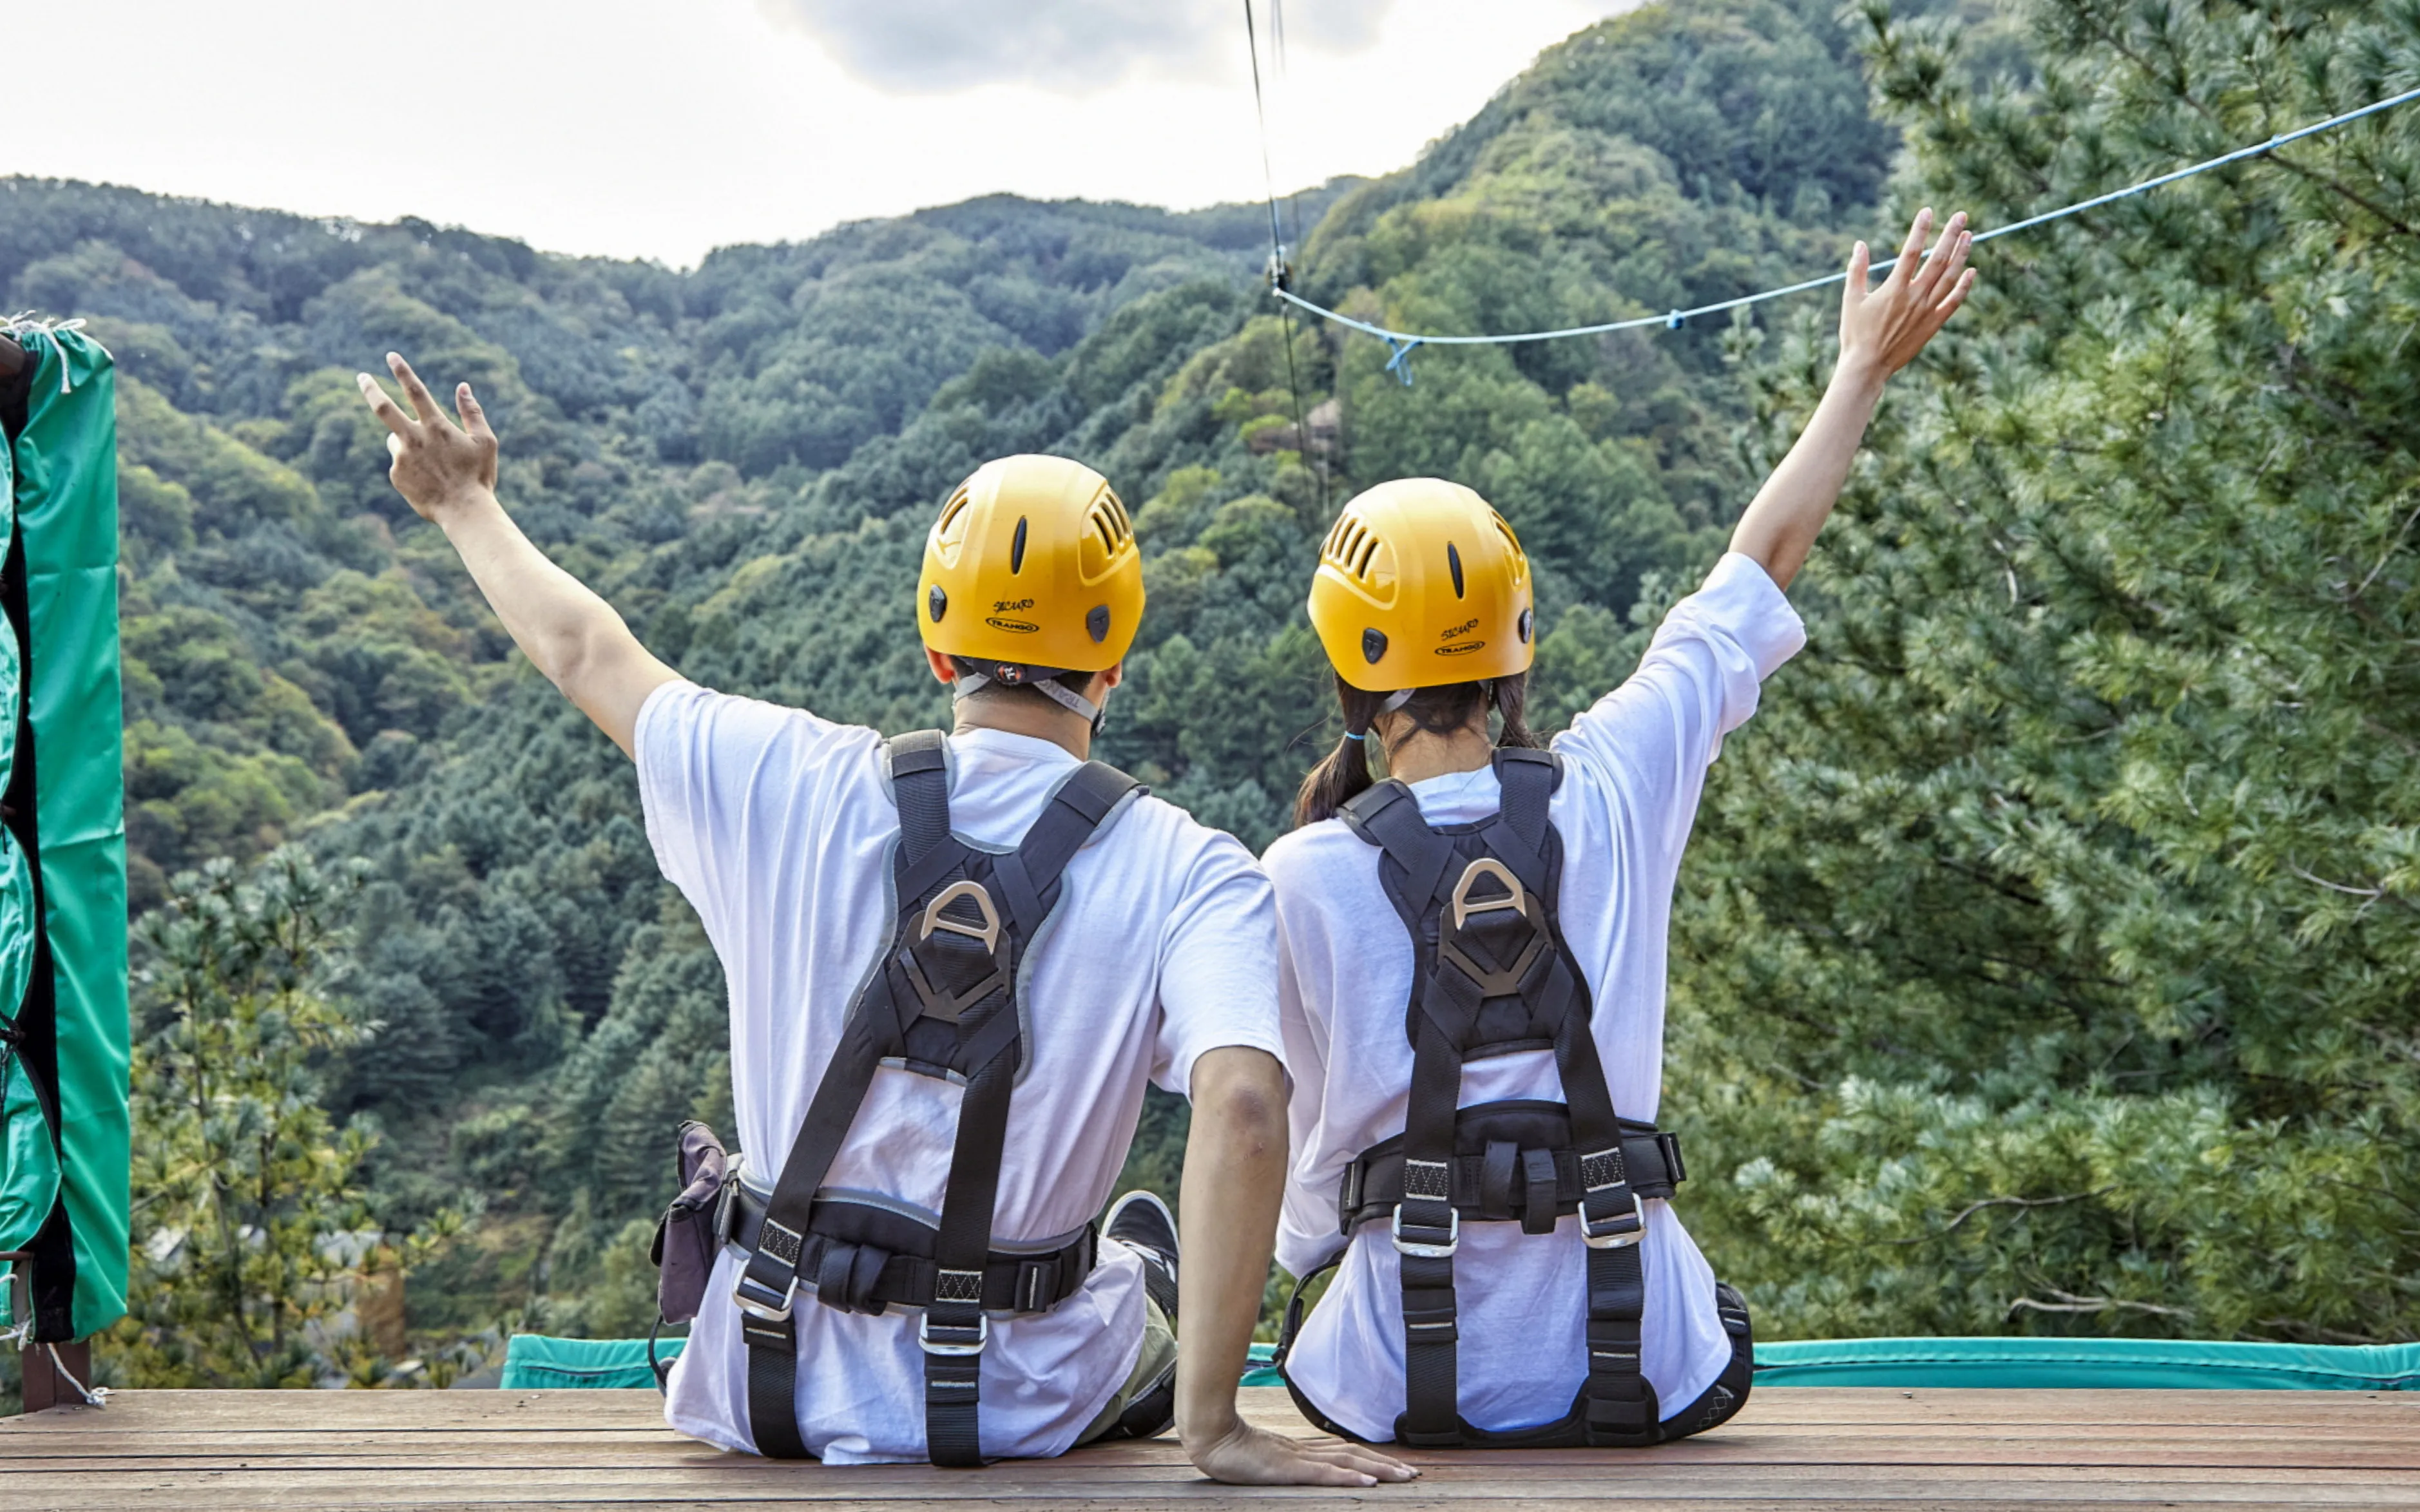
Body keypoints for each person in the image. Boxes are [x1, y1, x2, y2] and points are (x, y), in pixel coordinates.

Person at [356, 368, 1414, 1486]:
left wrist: (460, 500)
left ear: (936, 649)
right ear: (1113, 665)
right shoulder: (1191, 868)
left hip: (766, 1382)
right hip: (1017, 1404)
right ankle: (1148, 1307)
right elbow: (1247, 1108)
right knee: (1139, 1259)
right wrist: (1218, 1430)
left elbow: (585, 650)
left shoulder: (785, 775)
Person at [1265, 210, 1977, 1446]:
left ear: (1347, 674)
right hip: (1643, 1363)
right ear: (1513, 651)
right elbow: (1758, 566)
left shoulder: (1304, 872)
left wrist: (1306, 1251)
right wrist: (1858, 372)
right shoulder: (1611, 785)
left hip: (1391, 1387)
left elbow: (1307, 1181)